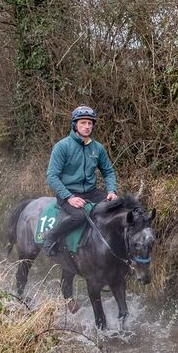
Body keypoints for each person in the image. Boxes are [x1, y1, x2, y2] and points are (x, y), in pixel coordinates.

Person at [42, 105, 118, 256]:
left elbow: (108, 171)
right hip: (68, 194)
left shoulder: (98, 148)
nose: (87, 126)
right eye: (83, 122)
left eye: (90, 123)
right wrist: (69, 197)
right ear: (75, 124)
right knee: (80, 216)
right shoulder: (62, 147)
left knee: (116, 208)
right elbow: (52, 176)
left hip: (91, 192)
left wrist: (111, 190)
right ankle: (51, 237)